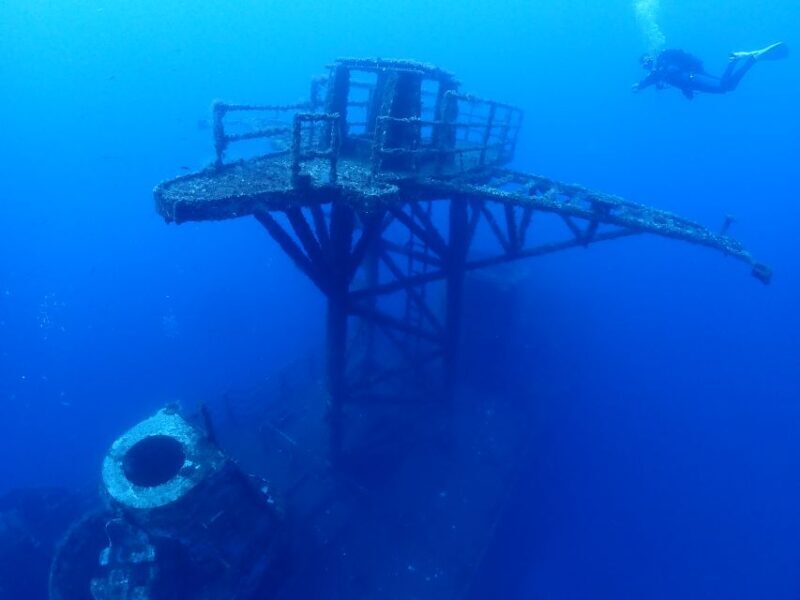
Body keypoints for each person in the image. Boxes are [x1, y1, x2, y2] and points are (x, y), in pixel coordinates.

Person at [633, 42, 788, 99]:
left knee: (723, 86)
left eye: (646, 62)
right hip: (693, 81)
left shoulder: (660, 66)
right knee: (728, 87)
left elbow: (651, 80)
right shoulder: (659, 70)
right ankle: (746, 59)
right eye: (644, 65)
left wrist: (639, 85)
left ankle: (740, 59)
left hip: (693, 78)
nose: (646, 66)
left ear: (650, 59)